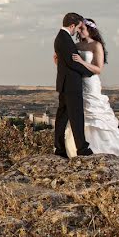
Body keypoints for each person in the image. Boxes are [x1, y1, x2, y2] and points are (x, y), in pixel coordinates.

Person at [62, 18, 119, 157]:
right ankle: (77, 147)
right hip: (77, 82)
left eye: (82, 28)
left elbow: (98, 69)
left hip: (90, 83)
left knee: (94, 113)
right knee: (79, 113)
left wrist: (81, 61)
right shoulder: (76, 45)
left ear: (90, 29)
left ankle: (101, 148)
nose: (79, 31)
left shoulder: (96, 45)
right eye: (79, 28)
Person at [53, 12, 94, 158]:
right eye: (77, 28)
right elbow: (72, 62)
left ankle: (59, 149)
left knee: (63, 116)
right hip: (71, 84)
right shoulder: (64, 39)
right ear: (72, 26)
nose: (77, 31)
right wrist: (89, 72)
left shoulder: (62, 38)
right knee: (76, 116)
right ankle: (82, 148)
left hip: (65, 83)